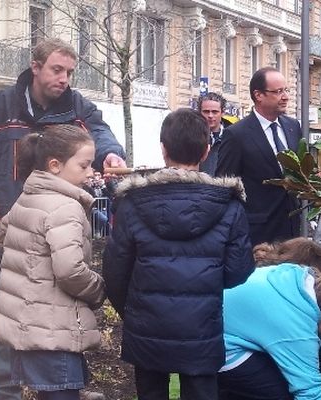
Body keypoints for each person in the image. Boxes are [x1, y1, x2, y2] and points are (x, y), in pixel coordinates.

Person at [0, 37, 125, 400]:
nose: (65, 79)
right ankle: (6, 392)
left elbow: (99, 131)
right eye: (57, 70)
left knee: (55, 333)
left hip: (53, 243)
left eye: (69, 72)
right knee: (5, 331)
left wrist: (110, 155)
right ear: (35, 67)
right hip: (7, 241)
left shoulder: (77, 106)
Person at [102, 108, 255, 400]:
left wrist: (132, 311)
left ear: (163, 149)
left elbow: (115, 270)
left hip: (146, 325)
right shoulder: (229, 205)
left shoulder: (132, 202)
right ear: (206, 151)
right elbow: (238, 271)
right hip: (202, 327)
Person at [0, 125, 105, 400]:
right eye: (84, 165)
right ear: (55, 165)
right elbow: (70, 271)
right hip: (56, 330)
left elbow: (3, 236)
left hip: (32, 328)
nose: (91, 172)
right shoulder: (65, 206)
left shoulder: (29, 196)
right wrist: (99, 288)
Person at [218, 246, 321, 400]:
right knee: (283, 394)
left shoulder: (296, 277)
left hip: (212, 328)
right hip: (221, 348)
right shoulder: (297, 329)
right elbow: (310, 393)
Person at [216, 67, 302, 246]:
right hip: (257, 235)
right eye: (278, 92)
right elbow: (225, 186)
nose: (285, 96)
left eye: (286, 90)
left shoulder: (293, 127)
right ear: (258, 95)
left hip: (292, 230)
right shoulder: (237, 135)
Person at [198, 92, 230, 175]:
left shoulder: (233, 137)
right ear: (199, 112)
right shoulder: (192, 136)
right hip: (200, 185)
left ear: (222, 113)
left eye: (215, 112)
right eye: (206, 111)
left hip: (225, 186)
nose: (210, 115)